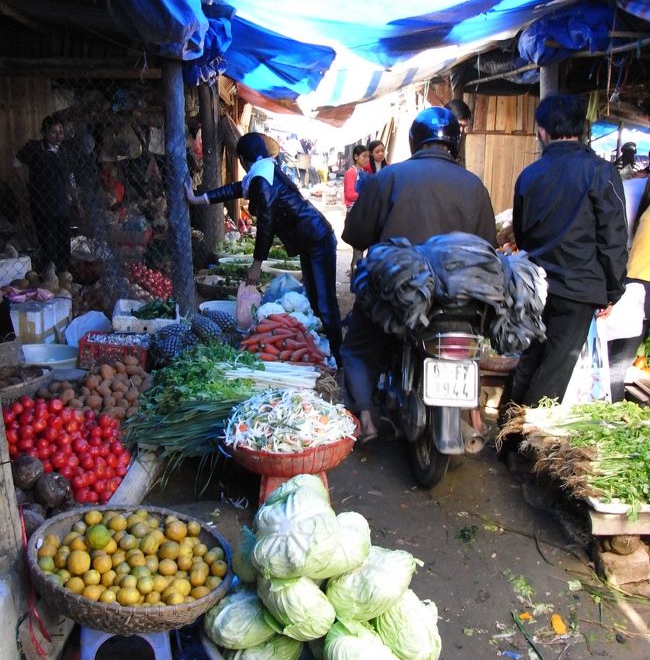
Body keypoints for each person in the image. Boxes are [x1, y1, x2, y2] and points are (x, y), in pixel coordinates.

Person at [341, 107, 497, 444]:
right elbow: (488, 247)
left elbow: (355, 234)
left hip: (398, 294)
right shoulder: (475, 186)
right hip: (459, 300)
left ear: (414, 141)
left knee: (357, 345)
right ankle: (474, 418)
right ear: (454, 142)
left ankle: (365, 418)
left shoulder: (388, 178)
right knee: (474, 344)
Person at [507, 93, 628, 411]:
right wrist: (612, 290)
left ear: (542, 131)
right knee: (555, 367)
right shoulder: (600, 172)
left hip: (536, 285)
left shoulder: (529, 176)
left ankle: (508, 434)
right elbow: (613, 237)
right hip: (578, 289)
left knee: (531, 357)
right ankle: (522, 449)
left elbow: (521, 233)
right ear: (583, 128)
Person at [185, 132, 342, 362]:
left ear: (242, 159)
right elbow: (234, 189)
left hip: (318, 240)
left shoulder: (262, 179)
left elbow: (266, 226)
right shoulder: (263, 171)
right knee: (317, 301)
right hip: (312, 240)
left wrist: (256, 265)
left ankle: (338, 359)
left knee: (325, 304)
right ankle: (322, 353)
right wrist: (197, 198)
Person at [14, 115, 74, 273]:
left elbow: (70, 175)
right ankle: (48, 273)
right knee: (48, 241)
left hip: (62, 203)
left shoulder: (65, 151)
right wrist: (26, 184)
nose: (59, 136)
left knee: (64, 241)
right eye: (54, 132)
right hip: (43, 204)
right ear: (45, 132)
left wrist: (74, 197)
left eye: (61, 132)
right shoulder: (35, 147)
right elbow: (16, 162)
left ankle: (63, 273)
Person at [608, 179, 650, 401]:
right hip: (639, 285)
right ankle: (611, 407)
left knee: (620, 358)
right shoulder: (636, 193)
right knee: (620, 360)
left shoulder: (635, 192)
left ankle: (612, 405)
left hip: (634, 281)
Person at [343, 144, 370, 274]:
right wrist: (366, 196)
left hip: (361, 212)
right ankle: (355, 278)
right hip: (354, 213)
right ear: (356, 156)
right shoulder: (351, 172)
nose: (366, 159)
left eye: (368, 157)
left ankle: (357, 276)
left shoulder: (363, 173)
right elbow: (349, 194)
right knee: (358, 249)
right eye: (364, 156)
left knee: (359, 249)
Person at [445, 99, 472, 167]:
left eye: (464, 126)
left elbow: (461, 163)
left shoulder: (461, 136)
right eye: (459, 125)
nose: (461, 130)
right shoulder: (433, 138)